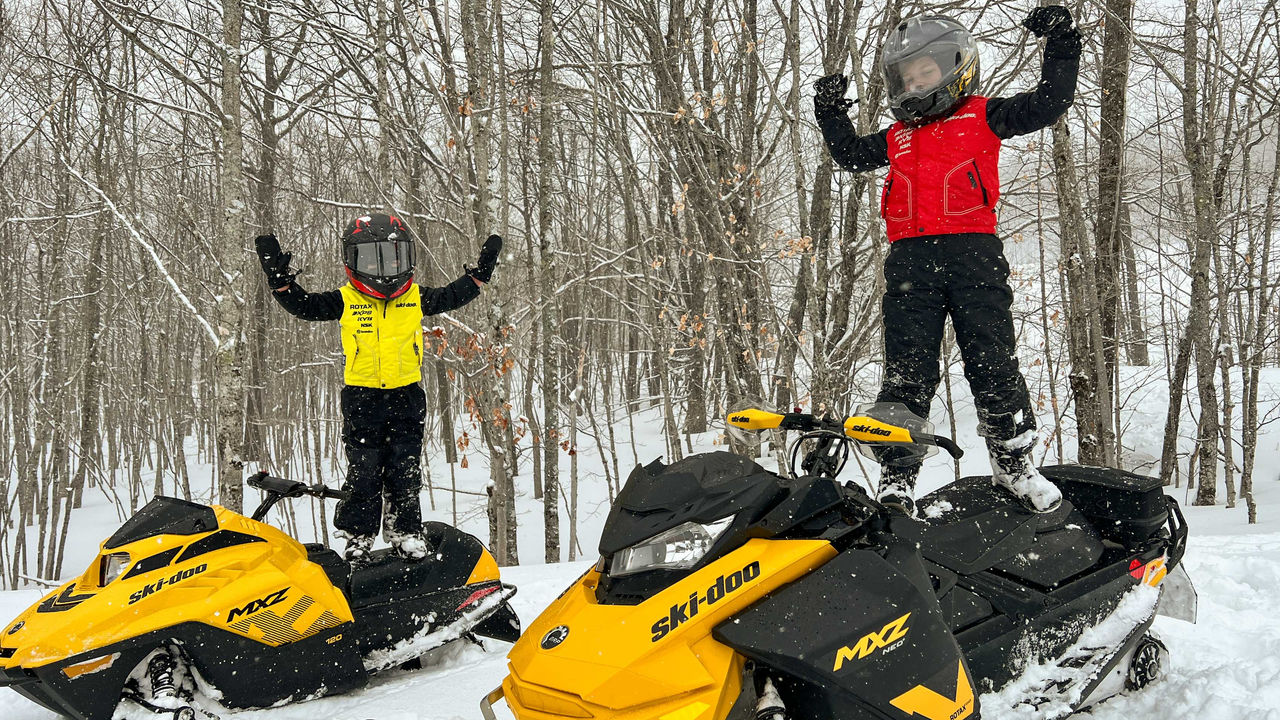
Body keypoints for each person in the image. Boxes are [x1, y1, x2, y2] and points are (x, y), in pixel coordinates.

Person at [813, 7, 1081, 516]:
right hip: (910, 262)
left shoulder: (981, 114)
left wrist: (1061, 42)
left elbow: (1049, 103)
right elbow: (848, 154)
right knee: (906, 371)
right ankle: (897, 475)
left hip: (973, 254)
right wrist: (830, 111)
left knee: (992, 361)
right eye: (907, 78)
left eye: (926, 73)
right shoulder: (897, 137)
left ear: (955, 66)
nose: (916, 84)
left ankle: (1014, 464)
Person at [254, 214, 502, 561]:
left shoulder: (414, 297)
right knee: (364, 469)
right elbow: (305, 307)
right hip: (363, 396)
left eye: (393, 256)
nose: (384, 268)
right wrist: (279, 281)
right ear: (353, 260)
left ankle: (406, 532)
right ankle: (358, 535)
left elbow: (451, 296)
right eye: (371, 259)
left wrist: (479, 275)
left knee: (405, 467)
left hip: (406, 394)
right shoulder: (347, 300)